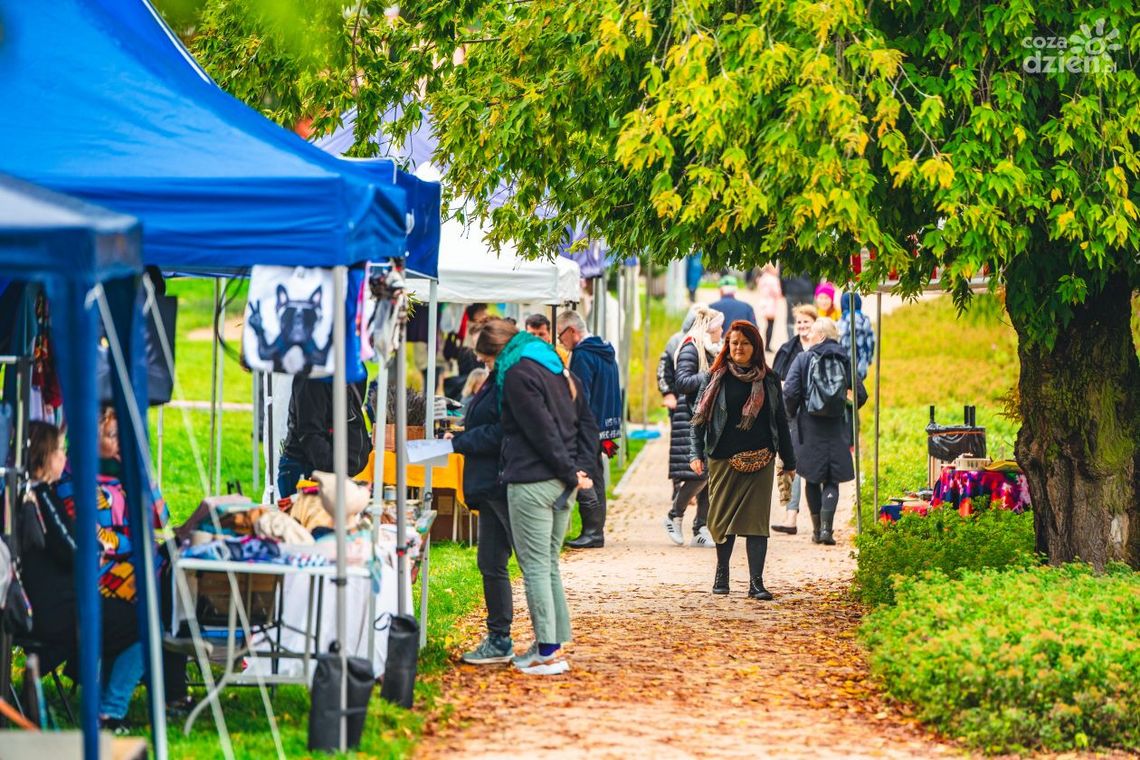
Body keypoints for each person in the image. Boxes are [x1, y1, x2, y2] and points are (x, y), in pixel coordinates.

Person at [495, 319, 598, 675]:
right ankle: (553, 641)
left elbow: (541, 432)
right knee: (549, 564)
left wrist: (571, 473)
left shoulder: (519, 376)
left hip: (534, 480)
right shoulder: (561, 374)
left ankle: (547, 650)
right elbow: (586, 427)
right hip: (562, 481)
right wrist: (579, 471)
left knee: (537, 566)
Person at [689, 321, 796, 600]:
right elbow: (697, 422)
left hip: (761, 459)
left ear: (755, 346)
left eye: (745, 343)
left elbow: (781, 422)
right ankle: (721, 574)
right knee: (721, 520)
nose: (739, 348)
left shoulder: (769, 379)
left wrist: (789, 459)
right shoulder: (715, 377)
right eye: (734, 342)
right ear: (728, 345)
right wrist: (695, 454)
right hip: (722, 459)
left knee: (756, 523)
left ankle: (756, 583)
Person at [447, 324, 513, 664]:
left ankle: (536, 641)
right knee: (490, 561)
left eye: (479, 348)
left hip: (499, 480)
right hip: (490, 483)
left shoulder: (505, 380)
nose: (474, 354)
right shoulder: (495, 376)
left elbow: (502, 430)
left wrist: (462, 440)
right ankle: (499, 636)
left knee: (522, 563)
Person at [783, 318, 868, 545]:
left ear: (820, 336)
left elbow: (789, 393)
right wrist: (844, 407)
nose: (808, 336)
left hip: (809, 426)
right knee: (832, 479)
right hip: (836, 426)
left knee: (811, 477)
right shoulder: (844, 359)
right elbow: (862, 394)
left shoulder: (803, 359)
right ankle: (827, 531)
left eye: (811, 332)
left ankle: (816, 529)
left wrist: (793, 415)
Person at [556, 310, 621, 549]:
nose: (561, 341)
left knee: (583, 475)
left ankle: (593, 531)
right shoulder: (604, 350)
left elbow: (579, 396)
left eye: (561, 335)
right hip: (606, 423)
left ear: (572, 331)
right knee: (596, 475)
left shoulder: (583, 355)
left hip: (589, 425)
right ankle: (596, 530)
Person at [665, 305, 724, 548]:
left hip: (707, 418)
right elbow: (682, 382)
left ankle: (701, 527)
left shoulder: (712, 350)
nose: (723, 330)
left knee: (709, 476)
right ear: (709, 327)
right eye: (720, 326)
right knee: (701, 471)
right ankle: (674, 514)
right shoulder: (692, 347)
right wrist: (712, 375)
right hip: (690, 417)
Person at [277, 374, 370, 498]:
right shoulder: (312, 378)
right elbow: (310, 434)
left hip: (339, 469)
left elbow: (352, 414)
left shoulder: (356, 371)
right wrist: (335, 472)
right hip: (309, 468)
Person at [770, 304, 818, 534]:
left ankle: (820, 523)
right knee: (794, 464)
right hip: (792, 415)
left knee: (815, 466)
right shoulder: (788, 349)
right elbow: (773, 379)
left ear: (814, 323)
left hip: (818, 416)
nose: (802, 326)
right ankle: (791, 518)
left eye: (806, 322)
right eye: (799, 322)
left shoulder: (822, 348)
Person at [837, 293, 876, 381]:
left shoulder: (843, 321)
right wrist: (868, 359)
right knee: (858, 389)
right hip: (862, 363)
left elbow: (840, 341)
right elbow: (872, 341)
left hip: (845, 365)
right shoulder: (865, 320)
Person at [780, 267, 815, 341]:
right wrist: (814, 289)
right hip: (807, 289)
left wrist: (784, 290)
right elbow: (816, 274)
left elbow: (781, 274)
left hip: (791, 290)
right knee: (809, 316)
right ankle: (808, 338)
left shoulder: (785, 255)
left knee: (790, 318)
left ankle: (791, 340)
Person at [755, 264, 782, 349]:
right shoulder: (773, 279)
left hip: (763, 302)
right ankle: (767, 345)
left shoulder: (763, 278)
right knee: (770, 324)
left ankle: (766, 344)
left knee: (767, 324)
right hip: (771, 303)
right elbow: (777, 292)